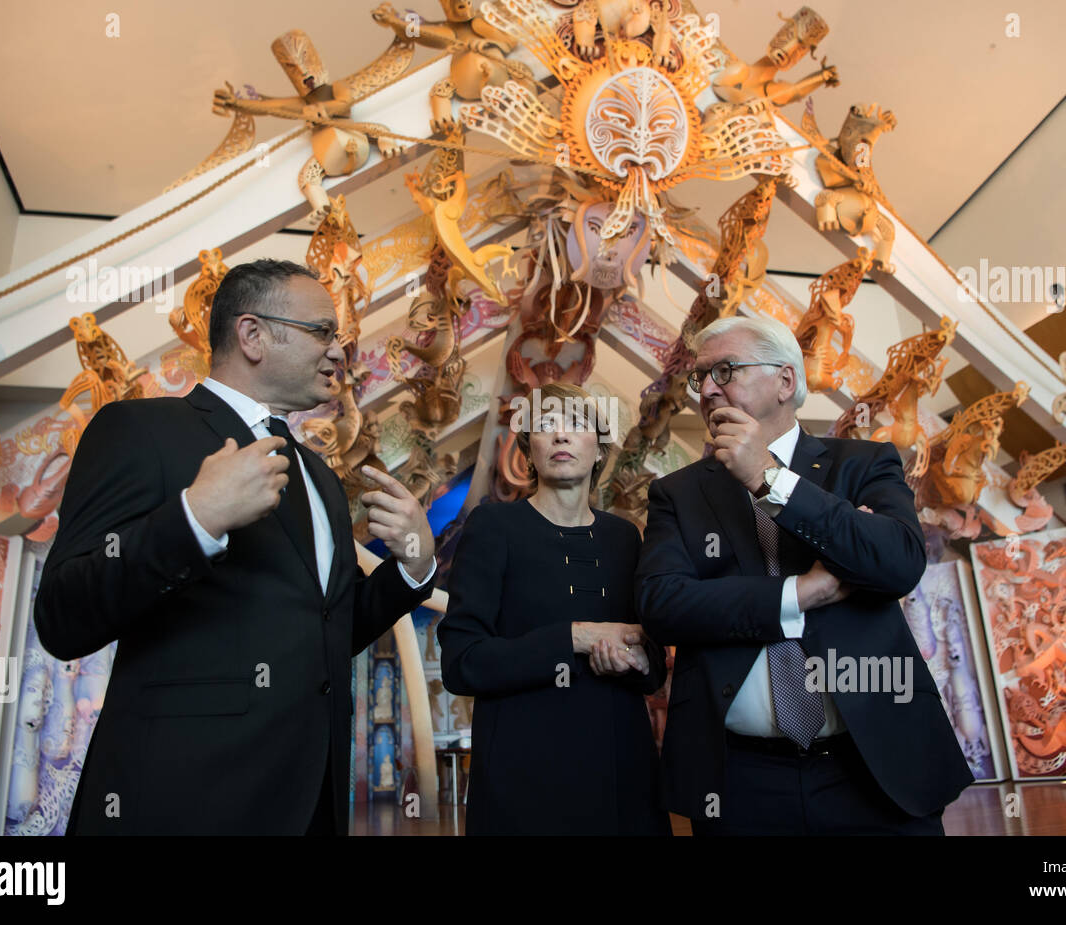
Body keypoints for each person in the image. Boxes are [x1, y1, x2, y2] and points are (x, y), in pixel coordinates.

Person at [35, 259, 437, 835]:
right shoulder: (138, 429)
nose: (340, 353)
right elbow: (61, 616)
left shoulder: (321, 476)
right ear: (251, 334)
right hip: (182, 802)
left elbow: (326, 633)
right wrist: (195, 518)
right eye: (322, 332)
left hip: (309, 804)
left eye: (341, 338)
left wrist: (414, 566)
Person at [636, 315, 972, 835]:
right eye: (698, 377)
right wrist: (801, 592)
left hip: (876, 766)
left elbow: (899, 563)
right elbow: (664, 605)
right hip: (740, 779)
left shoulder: (862, 464)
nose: (705, 389)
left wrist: (768, 480)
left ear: (786, 382)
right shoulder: (678, 494)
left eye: (724, 370)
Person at [438, 383, 670, 835]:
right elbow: (461, 663)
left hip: (621, 774)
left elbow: (654, 664)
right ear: (529, 451)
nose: (561, 436)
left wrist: (640, 659)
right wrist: (574, 638)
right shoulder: (493, 526)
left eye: (578, 425)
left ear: (600, 450)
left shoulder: (626, 538)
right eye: (545, 426)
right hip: (524, 776)